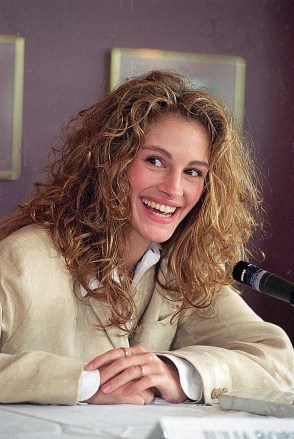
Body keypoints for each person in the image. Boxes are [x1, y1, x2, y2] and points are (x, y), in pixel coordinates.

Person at [0, 70, 292, 406]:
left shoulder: (181, 271)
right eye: (155, 161)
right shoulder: (22, 258)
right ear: (110, 161)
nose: (173, 189)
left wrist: (176, 372)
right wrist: (86, 383)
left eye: (193, 172)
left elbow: (279, 363)